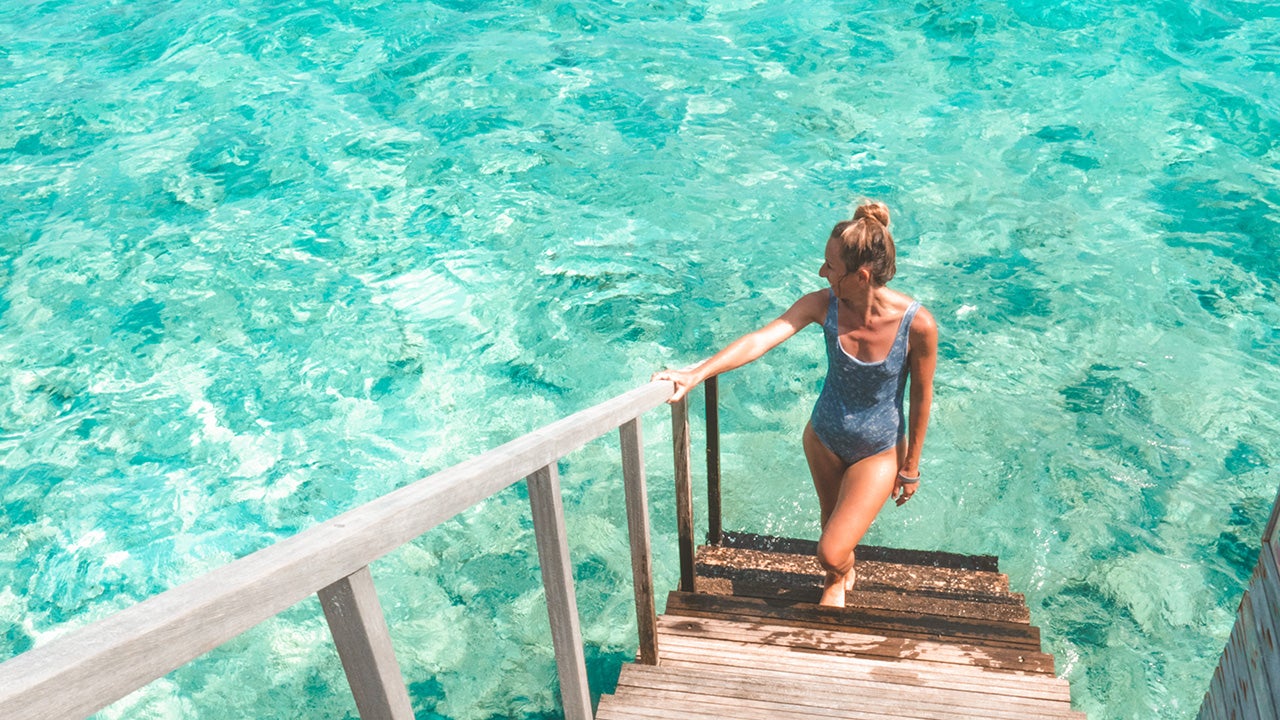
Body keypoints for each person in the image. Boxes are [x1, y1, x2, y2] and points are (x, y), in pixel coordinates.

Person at [652, 201, 938, 608]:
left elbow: (922, 395)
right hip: (823, 438)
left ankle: (838, 566)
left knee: (831, 548)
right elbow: (762, 338)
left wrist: (911, 467)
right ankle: (838, 580)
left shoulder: (919, 325)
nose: (822, 272)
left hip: (878, 451)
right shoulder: (823, 304)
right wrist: (696, 373)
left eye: (830, 266)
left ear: (860, 276)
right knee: (830, 526)